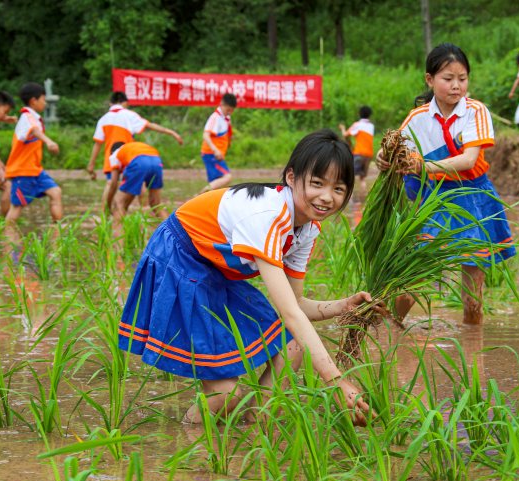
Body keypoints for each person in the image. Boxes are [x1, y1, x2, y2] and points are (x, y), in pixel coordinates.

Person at [118, 129, 373, 426]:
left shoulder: (306, 229)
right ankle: (189, 437)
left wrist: (344, 306)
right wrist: (336, 380)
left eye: (338, 189)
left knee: (292, 346)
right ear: (291, 177)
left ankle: (256, 425)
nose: (327, 197)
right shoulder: (267, 216)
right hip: (181, 260)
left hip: (216, 271)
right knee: (224, 395)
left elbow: (296, 304)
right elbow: (290, 314)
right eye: (317, 183)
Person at [378, 43, 516, 324]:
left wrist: (424, 167)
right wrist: (382, 157)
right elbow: (392, 149)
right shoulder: (418, 118)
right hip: (434, 199)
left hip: (473, 198)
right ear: (430, 80)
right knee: (414, 277)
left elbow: (468, 160)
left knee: (473, 292)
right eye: (448, 78)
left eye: (462, 79)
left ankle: (472, 338)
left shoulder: (475, 111)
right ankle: (390, 329)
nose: (456, 86)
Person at [85, 91, 183, 213]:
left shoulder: (103, 119)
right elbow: (149, 125)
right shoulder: (129, 115)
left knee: (110, 184)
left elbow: (98, 143)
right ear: (125, 103)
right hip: (130, 157)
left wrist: (91, 164)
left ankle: (105, 215)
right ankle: (144, 214)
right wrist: (171, 132)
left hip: (112, 157)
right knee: (140, 186)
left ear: (110, 103)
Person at [4, 83, 63, 227]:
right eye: (43, 99)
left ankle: (58, 231)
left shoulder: (33, 117)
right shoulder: (27, 117)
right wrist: (49, 141)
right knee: (17, 207)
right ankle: (7, 234)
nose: (45, 103)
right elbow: (34, 130)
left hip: (35, 170)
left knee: (55, 192)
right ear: (33, 101)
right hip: (23, 171)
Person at [106, 141, 167, 232]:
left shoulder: (114, 155)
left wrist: (108, 205)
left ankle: (118, 240)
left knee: (119, 204)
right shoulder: (132, 147)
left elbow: (113, 183)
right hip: (156, 160)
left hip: (139, 161)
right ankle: (172, 234)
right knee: (156, 204)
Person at [200, 93, 237, 193]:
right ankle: (199, 195)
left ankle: (204, 197)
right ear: (222, 104)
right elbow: (206, 135)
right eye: (228, 110)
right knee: (227, 177)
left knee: (216, 184)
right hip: (211, 154)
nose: (229, 112)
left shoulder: (226, 118)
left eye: (231, 110)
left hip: (217, 155)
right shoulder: (215, 117)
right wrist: (215, 150)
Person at [338, 105, 375, 194]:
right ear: (369, 115)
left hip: (359, 153)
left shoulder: (357, 125)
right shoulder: (371, 126)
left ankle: (347, 196)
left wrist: (342, 128)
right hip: (369, 154)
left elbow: (345, 135)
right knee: (362, 178)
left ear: (359, 114)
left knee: (350, 175)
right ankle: (364, 195)